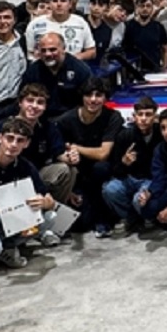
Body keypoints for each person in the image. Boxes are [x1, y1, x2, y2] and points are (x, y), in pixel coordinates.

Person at [0, 117, 58, 268]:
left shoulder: (25, 167)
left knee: (50, 217)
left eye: (20, 140)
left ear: (26, 144)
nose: (14, 144)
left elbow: (50, 201)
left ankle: (7, 247)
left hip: (10, 216)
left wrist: (44, 202)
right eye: (10, 138)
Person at [54, 78, 124, 239]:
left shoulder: (113, 117)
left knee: (100, 168)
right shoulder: (65, 120)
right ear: (82, 96)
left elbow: (103, 154)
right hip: (77, 173)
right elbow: (58, 153)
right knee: (80, 225)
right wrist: (69, 189)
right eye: (88, 95)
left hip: (103, 174)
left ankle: (104, 216)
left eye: (98, 95)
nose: (93, 100)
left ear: (105, 98)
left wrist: (76, 147)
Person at [101, 96, 161, 232]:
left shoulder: (161, 135)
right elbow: (115, 169)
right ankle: (131, 218)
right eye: (140, 114)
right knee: (110, 189)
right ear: (134, 116)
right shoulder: (124, 135)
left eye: (148, 115)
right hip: (129, 178)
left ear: (155, 117)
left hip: (150, 179)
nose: (143, 118)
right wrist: (124, 163)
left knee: (138, 199)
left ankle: (147, 217)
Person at [22, 32, 93, 117]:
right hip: (41, 117)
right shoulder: (33, 71)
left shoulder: (80, 70)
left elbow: (89, 101)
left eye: (52, 50)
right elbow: (23, 98)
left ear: (63, 48)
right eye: (43, 50)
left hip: (71, 118)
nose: (47, 54)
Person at [25, 0, 96, 61]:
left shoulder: (80, 23)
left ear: (70, 4)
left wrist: (75, 58)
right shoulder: (35, 24)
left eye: (63, 1)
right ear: (50, 3)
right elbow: (30, 53)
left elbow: (92, 51)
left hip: (71, 66)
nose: (59, 4)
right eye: (55, 1)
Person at [120, 0, 167, 71]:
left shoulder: (158, 27)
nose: (145, 9)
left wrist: (164, 67)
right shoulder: (127, 26)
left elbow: (166, 49)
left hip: (154, 69)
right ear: (136, 8)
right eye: (142, 6)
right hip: (133, 71)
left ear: (152, 8)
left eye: (148, 6)